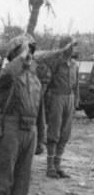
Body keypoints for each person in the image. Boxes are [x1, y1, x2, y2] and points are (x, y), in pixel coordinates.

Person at [0, 34, 43, 195]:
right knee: (5, 176)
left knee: (23, 179)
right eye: (25, 51)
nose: (29, 55)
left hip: (30, 130)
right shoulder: (7, 77)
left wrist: (41, 138)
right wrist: (21, 55)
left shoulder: (34, 79)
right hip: (11, 129)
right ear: (15, 54)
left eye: (31, 51)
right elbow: (7, 74)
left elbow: (40, 111)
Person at [34, 36, 79, 178]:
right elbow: (40, 60)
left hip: (70, 98)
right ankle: (50, 167)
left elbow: (76, 84)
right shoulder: (55, 62)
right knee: (54, 131)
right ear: (65, 47)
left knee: (65, 133)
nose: (74, 49)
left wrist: (76, 100)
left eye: (75, 46)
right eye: (72, 46)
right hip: (57, 97)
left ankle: (58, 164)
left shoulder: (74, 64)